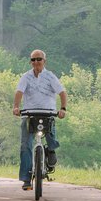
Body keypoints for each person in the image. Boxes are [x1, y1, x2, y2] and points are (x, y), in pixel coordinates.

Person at [12, 49, 67, 191]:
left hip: (47, 113)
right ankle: (26, 179)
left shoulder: (50, 77)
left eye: (39, 59)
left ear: (44, 61)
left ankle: (51, 151)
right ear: (30, 62)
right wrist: (16, 107)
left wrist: (63, 109)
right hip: (29, 114)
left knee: (51, 136)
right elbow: (19, 92)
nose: (36, 62)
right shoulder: (26, 77)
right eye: (33, 60)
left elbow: (62, 92)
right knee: (25, 145)